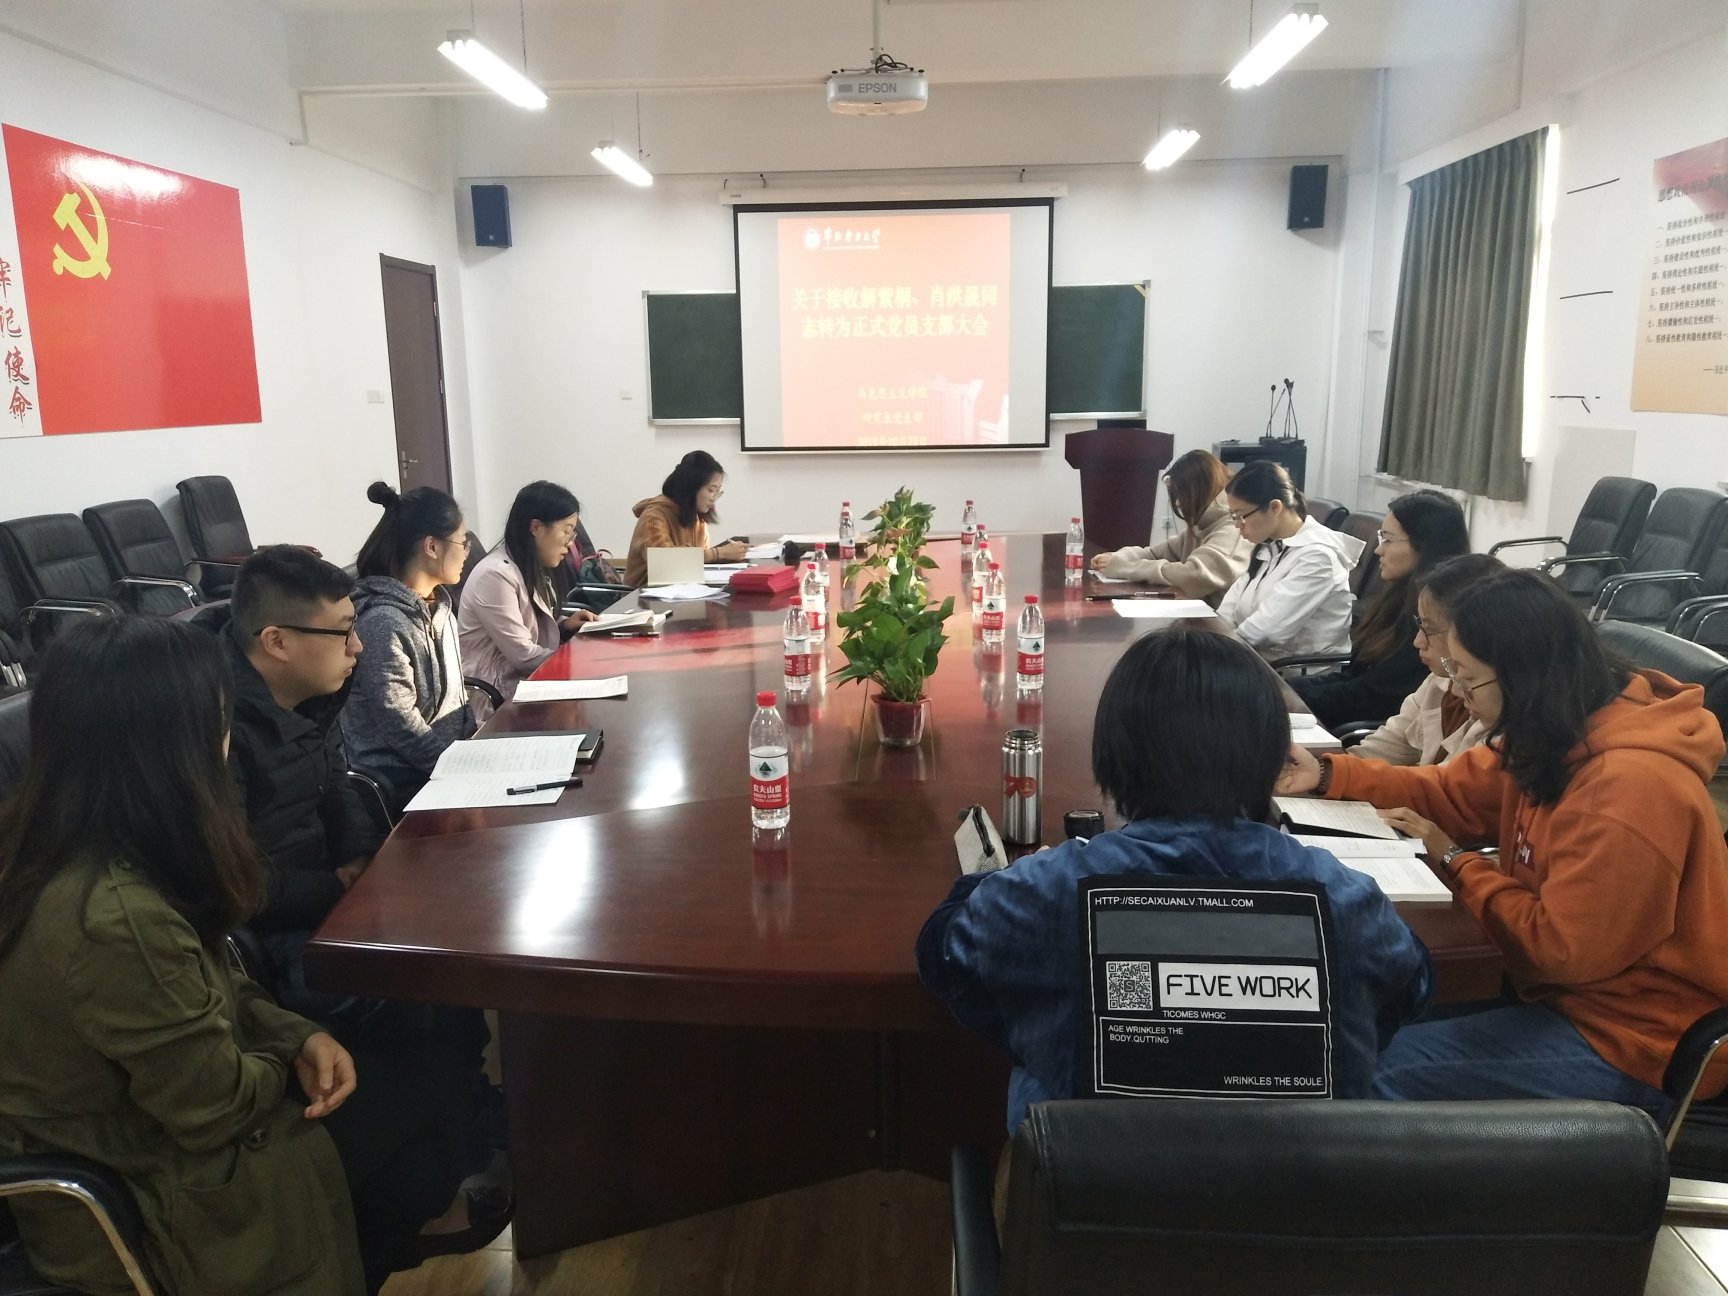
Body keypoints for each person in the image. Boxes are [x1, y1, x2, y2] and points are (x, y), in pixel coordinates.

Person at [0, 617, 501, 1296]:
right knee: (423, 1096)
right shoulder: (113, 916)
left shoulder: (59, 841)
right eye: (218, 722)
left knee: (416, 1075)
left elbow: (207, 985)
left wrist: (297, 1035)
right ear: (173, 747)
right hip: (156, 1182)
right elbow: (218, 1108)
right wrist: (287, 1065)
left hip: (149, 1127)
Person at [917, 625, 1433, 1135]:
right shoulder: (1342, 895)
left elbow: (945, 956)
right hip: (1301, 1179)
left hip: (1097, 1179)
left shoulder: (1050, 889)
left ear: (1114, 755)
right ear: (1271, 757)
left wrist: (997, 883)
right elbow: (1409, 988)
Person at [1278, 569, 1728, 1114]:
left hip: (1634, 1035)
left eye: (1467, 679)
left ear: (1522, 677)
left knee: (1370, 1074)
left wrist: (1457, 860)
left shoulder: (1627, 790)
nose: (1459, 694)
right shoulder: (1557, 730)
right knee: (1358, 1015)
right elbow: (1451, 792)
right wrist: (1328, 774)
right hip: (1554, 991)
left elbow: (1560, 954)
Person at [218, 545, 386, 1019]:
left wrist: (356, 855)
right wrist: (335, 888)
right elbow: (232, 878)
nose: (357, 646)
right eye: (343, 632)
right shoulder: (216, 726)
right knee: (415, 970)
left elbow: (335, 782)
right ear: (277, 642)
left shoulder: (307, 690)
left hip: (322, 886)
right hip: (270, 925)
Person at [342, 481, 477, 811]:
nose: (466, 553)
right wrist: (462, 771)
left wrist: (477, 748)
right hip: (403, 782)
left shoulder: (439, 607)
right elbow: (400, 727)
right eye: (463, 542)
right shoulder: (382, 622)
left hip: (443, 766)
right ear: (432, 546)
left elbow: (457, 697)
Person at [1291, 489, 1471, 728]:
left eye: (1387, 539)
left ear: (1424, 544)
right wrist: (1287, 690)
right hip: (1353, 708)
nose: (1378, 550)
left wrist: (1291, 697)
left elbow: (1375, 697)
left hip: (1369, 723)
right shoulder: (1397, 595)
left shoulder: (1430, 616)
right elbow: (1355, 676)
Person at [1347, 553, 1501, 765]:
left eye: (1429, 629)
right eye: (1419, 625)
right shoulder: (1438, 682)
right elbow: (1381, 750)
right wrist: (1327, 770)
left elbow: (1444, 782)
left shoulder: (1494, 710)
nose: (1418, 641)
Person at [458, 480, 598, 711]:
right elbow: (524, 656)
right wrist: (583, 662)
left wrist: (564, 626)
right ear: (536, 527)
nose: (571, 543)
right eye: (566, 531)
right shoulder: (495, 575)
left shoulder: (526, 565)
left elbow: (528, 627)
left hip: (525, 684)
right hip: (498, 698)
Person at [1216, 460, 1364, 660]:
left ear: (1275, 507)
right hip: (1258, 658)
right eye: (1233, 516)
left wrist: (1218, 648)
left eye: (1241, 516)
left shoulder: (1318, 556)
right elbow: (1230, 607)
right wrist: (1213, 635)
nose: (1237, 525)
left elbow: (1267, 629)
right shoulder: (1270, 545)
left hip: (1298, 670)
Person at [1088, 448, 1248, 603]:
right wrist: (1115, 558)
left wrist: (1126, 568)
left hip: (1216, 619)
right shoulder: (1199, 527)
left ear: (1201, 491)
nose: (1178, 503)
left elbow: (1194, 575)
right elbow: (1154, 554)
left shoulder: (1233, 528)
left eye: (1182, 495)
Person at [624, 449, 747, 586]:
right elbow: (664, 564)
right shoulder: (653, 517)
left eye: (717, 492)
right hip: (643, 595)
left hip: (682, 590)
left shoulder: (696, 518)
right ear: (691, 487)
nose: (714, 498)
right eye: (711, 490)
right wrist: (718, 554)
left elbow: (699, 564)